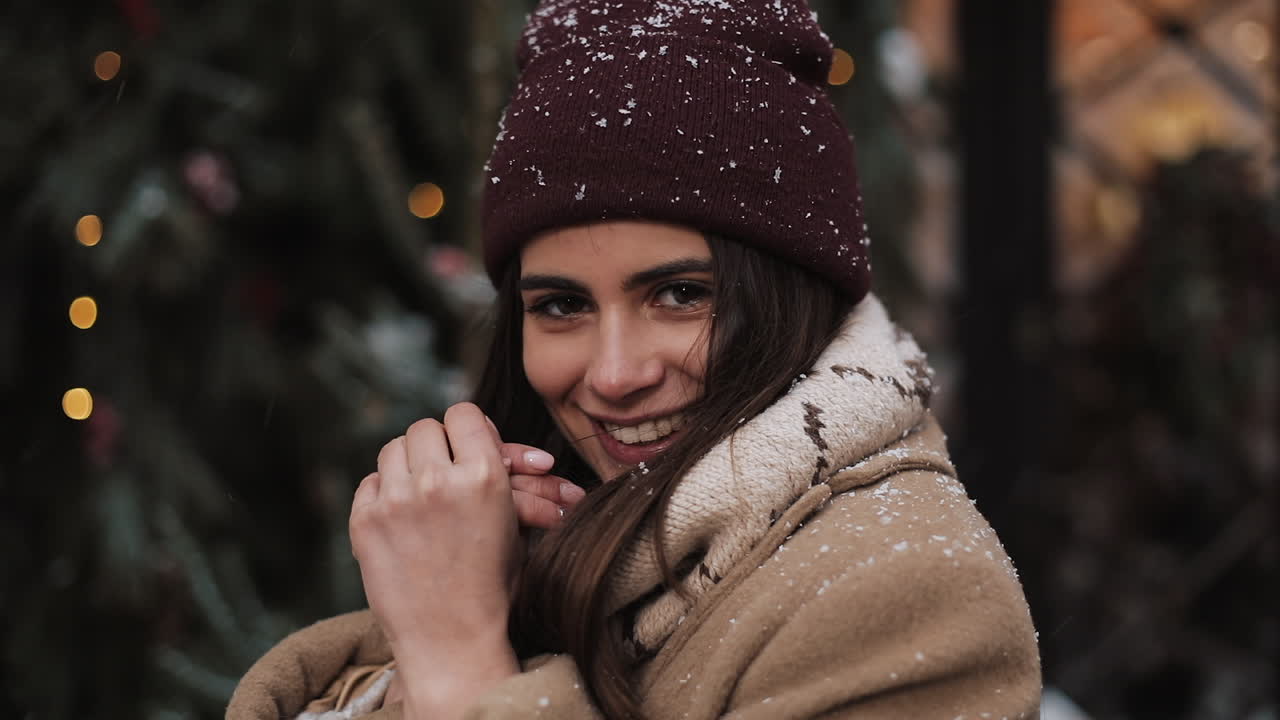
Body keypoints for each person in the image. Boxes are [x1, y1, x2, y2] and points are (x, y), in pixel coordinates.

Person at [228, 1, 1042, 718]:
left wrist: (457, 664)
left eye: (682, 294)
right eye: (562, 306)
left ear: (795, 295)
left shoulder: (906, 588)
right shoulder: (542, 555)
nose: (615, 374)